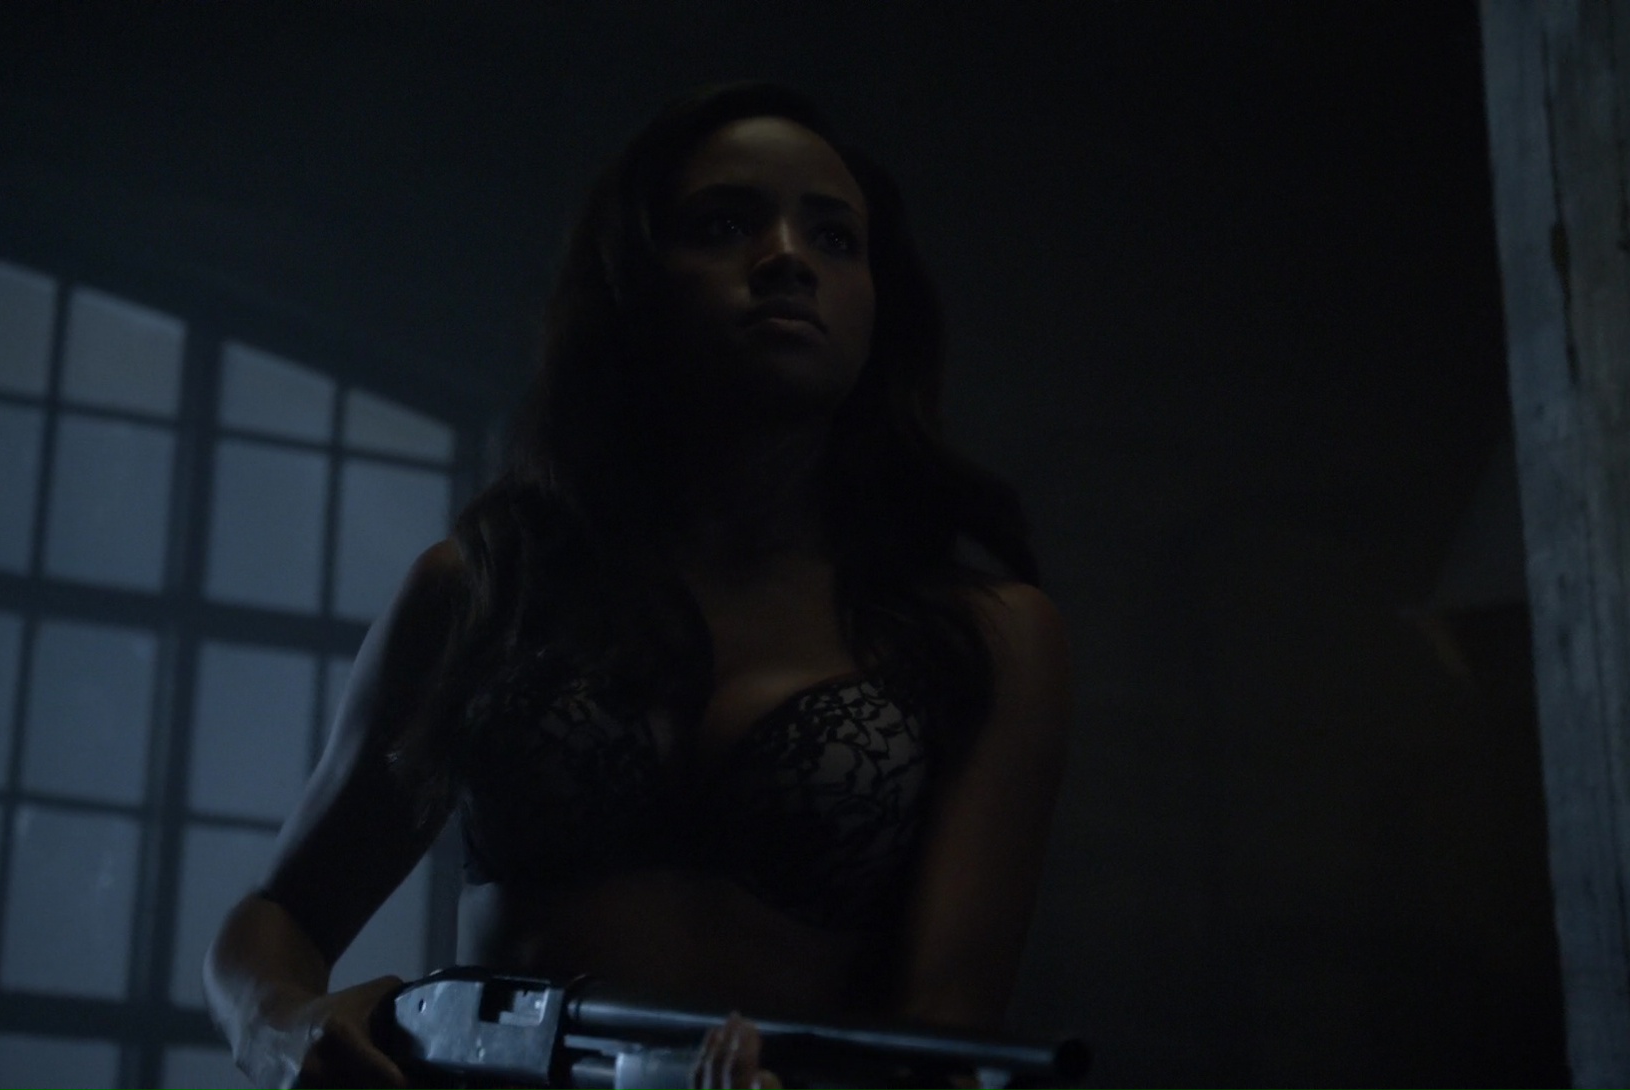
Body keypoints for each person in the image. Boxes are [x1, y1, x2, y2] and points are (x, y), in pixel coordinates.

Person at [203, 80, 1073, 1090]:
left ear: (880, 303)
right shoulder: (489, 591)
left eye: (835, 237)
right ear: (631, 280)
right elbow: (278, 918)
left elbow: (949, 1036)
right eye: (725, 223)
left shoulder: (986, 637)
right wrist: (286, 1030)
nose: (788, 257)